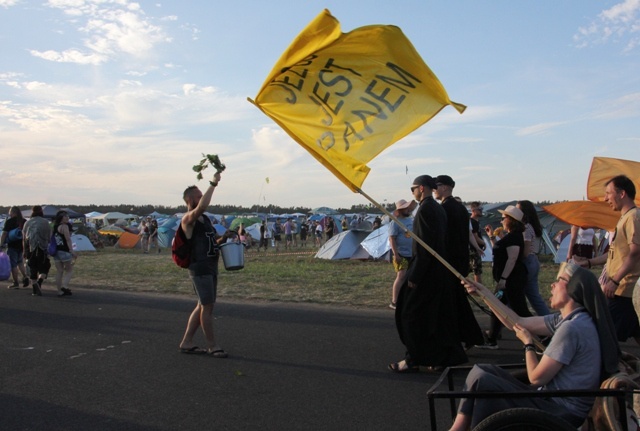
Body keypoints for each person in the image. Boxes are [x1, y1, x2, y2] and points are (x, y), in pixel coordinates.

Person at [449, 262, 620, 430]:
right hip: (552, 401)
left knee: (482, 380)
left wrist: (528, 344)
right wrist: (484, 293)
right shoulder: (573, 319)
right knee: (482, 370)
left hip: (559, 409)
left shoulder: (571, 329)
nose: (552, 284)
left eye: (559, 279)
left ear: (573, 289)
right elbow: (517, 321)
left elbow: (536, 378)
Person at [389, 175, 467, 373]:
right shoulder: (438, 208)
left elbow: (425, 249)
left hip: (427, 272)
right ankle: (441, 358)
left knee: (410, 316)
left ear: (421, 188)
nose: (412, 192)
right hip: (438, 271)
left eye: (413, 188)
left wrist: (414, 277)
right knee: (437, 317)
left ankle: (414, 358)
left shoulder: (425, 210)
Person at [574, 175, 640, 345]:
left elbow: (635, 252)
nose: (605, 198)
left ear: (622, 193)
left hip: (624, 289)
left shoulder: (633, 217)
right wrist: (589, 263)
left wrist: (615, 281)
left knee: (603, 336)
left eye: (608, 193)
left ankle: (610, 369)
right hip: (622, 289)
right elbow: (614, 252)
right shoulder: (624, 218)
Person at [178, 171, 231, 357]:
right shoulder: (188, 219)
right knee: (207, 307)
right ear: (191, 200)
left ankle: (186, 342)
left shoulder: (206, 220)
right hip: (199, 268)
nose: (203, 199)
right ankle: (212, 345)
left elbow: (213, 241)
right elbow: (202, 206)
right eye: (199, 196)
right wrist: (213, 184)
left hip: (210, 266)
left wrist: (225, 237)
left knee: (202, 305)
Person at [434, 175, 484, 349]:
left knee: (452, 301)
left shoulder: (446, 208)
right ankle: (469, 336)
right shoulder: (460, 208)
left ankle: (463, 337)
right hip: (459, 260)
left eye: (437, 185)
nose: (434, 189)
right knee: (457, 300)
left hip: (450, 261)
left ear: (446, 187)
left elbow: (446, 237)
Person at [480, 205, 530, 348]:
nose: (501, 221)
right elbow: (499, 250)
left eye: (503, 218)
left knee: (519, 310)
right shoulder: (511, 236)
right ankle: (492, 338)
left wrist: (503, 280)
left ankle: (544, 337)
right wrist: (491, 237)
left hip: (512, 279)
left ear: (511, 220)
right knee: (498, 306)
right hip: (510, 278)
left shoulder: (514, 237)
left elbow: (512, 259)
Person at [518, 200, 550, 316]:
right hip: (534, 260)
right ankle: (548, 320)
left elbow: (525, 252)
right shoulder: (534, 226)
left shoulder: (526, 228)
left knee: (515, 296)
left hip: (527, 262)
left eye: (518, 209)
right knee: (534, 297)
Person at [388, 199, 416, 310]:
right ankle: (395, 301)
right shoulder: (394, 222)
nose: (408, 209)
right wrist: (396, 254)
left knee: (410, 277)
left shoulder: (411, 221)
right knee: (401, 276)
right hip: (401, 253)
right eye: (405, 208)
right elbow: (392, 239)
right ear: (400, 210)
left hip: (412, 253)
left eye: (408, 207)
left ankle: (407, 298)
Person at [22, 205, 52, 296]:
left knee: (32, 268)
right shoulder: (46, 222)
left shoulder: (28, 223)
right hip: (43, 248)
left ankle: (35, 286)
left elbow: (24, 238)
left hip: (31, 248)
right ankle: (39, 281)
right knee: (45, 266)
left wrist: (24, 251)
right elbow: (49, 237)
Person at [1, 206, 30, 289]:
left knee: (13, 264)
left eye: (10, 212)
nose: (9, 214)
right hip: (22, 245)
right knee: (20, 262)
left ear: (13, 212)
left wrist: (1, 244)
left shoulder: (9, 221)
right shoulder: (24, 221)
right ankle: (25, 277)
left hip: (12, 245)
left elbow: (4, 234)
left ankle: (15, 282)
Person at [52, 210, 78, 297]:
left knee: (59, 271)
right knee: (69, 270)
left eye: (68, 216)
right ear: (61, 218)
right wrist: (72, 250)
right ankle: (65, 286)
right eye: (65, 216)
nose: (67, 218)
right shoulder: (64, 226)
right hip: (65, 251)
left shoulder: (55, 227)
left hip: (56, 252)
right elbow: (68, 239)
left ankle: (59, 291)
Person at [469, 202, 485, 283]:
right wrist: (484, 243)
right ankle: (479, 288)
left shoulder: (476, 221)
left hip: (476, 249)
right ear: (473, 210)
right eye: (479, 209)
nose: (481, 211)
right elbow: (475, 237)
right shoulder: (472, 222)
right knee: (477, 270)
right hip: (474, 250)